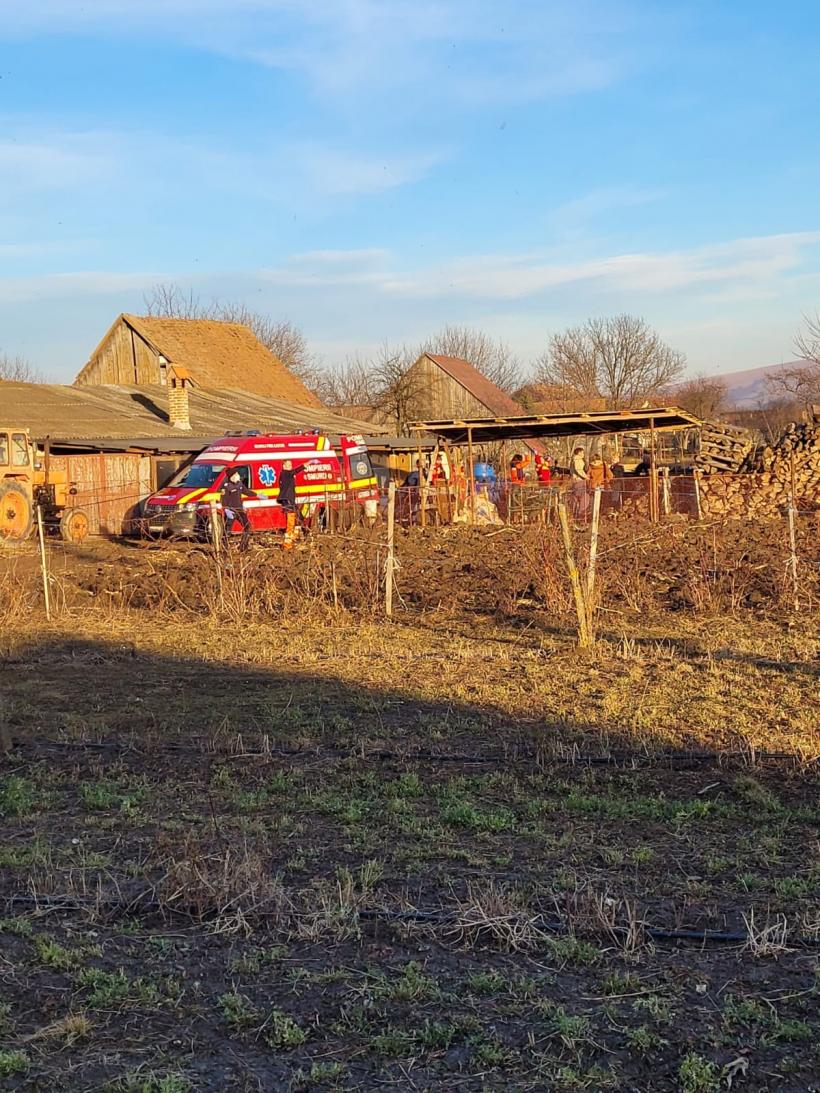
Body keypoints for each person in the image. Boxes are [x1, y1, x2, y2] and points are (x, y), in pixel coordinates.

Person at [278, 458, 319, 548]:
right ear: (284, 466)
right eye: (288, 465)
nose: (290, 467)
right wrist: (308, 463)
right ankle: (287, 545)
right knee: (291, 523)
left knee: (299, 519)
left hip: (290, 501)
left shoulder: (287, 475)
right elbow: (296, 470)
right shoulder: (285, 474)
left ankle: (294, 539)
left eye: (291, 465)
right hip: (288, 502)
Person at [220, 471, 257, 552]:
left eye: (237, 474)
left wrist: (257, 495)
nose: (238, 475)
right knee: (227, 531)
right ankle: (224, 549)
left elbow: (246, 492)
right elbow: (223, 499)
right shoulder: (226, 485)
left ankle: (243, 547)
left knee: (247, 527)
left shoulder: (239, 483)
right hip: (231, 511)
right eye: (236, 474)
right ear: (231, 476)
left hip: (240, 510)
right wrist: (226, 509)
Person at [569, 446, 589, 522]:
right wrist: (586, 477)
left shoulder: (573, 460)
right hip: (579, 481)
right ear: (579, 452)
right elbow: (579, 470)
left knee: (577, 498)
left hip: (575, 481)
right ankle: (581, 514)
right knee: (584, 497)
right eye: (582, 452)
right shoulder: (577, 459)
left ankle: (575, 514)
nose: (583, 454)